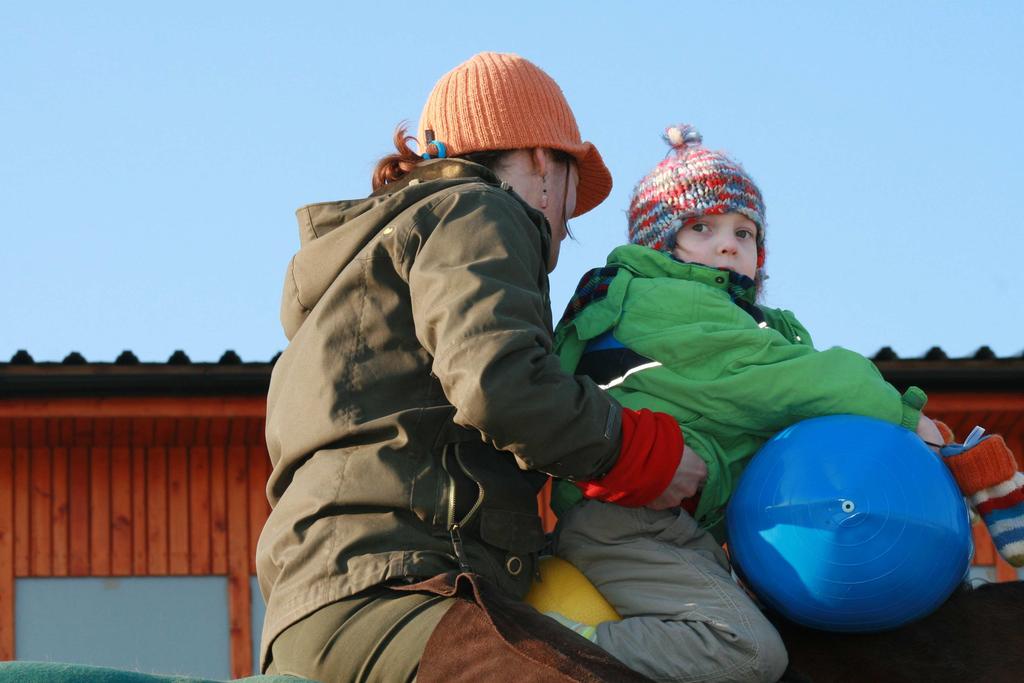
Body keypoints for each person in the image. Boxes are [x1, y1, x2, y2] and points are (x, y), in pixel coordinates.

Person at [255, 53, 703, 682]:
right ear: (546, 161)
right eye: (568, 218)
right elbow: (499, 382)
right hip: (402, 592)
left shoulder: (363, 267)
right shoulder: (478, 209)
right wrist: (639, 450)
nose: (559, 234)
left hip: (314, 612)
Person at [548, 124, 949, 683]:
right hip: (625, 521)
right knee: (747, 651)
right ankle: (547, 645)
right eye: (701, 227)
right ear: (662, 245)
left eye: (745, 231)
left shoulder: (733, 319)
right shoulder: (665, 304)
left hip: (683, 530)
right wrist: (907, 417)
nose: (729, 243)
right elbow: (790, 380)